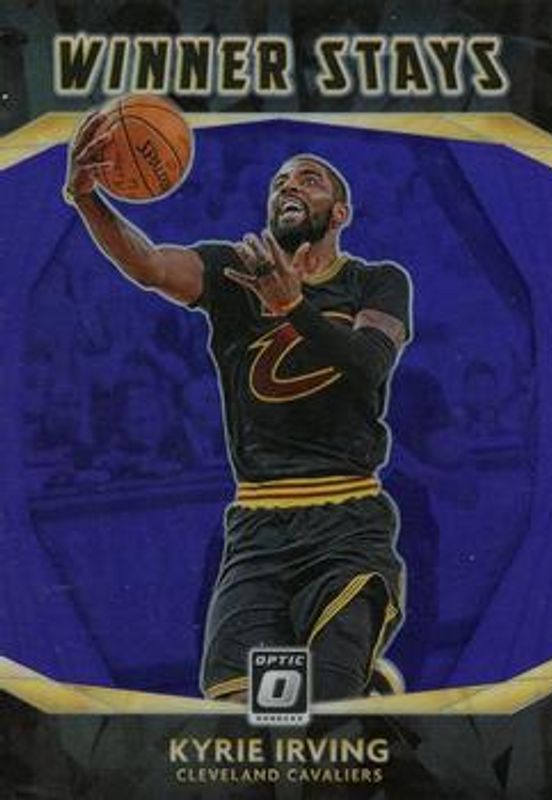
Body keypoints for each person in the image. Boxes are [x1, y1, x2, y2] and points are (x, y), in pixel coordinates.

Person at [63, 112, 412, 703]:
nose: (290, 186)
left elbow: (368, 366)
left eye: (308, 179)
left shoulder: (376, 282)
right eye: (280, 181)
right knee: (239, 715)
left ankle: (354, 691)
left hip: (347, 519)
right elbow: (149, 265)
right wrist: (87, 198)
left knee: (319, 710)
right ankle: (364, 692)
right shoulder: (230, 271)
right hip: (256, 525)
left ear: (340, 214)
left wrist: (294, 308)